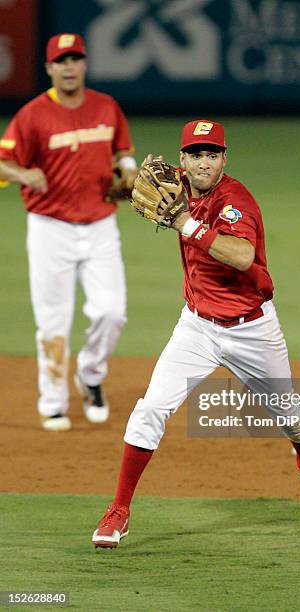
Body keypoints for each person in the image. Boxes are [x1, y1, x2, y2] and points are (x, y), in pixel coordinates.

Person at [91, 120, 300, 548]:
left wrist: (186, 224)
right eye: (196, 154)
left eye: (213, 154)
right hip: (197, 326)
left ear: (225, 158)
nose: (204, 163)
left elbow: (241, 256)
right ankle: (119, 511)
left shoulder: (236, 200)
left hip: (252, 329)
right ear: (183, 159)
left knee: (290, 420)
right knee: (151, 409)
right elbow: (141, 187)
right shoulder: (180, 183)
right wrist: (124, 187)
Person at [0, 33, 137, 431]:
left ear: (85, 64)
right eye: (61, 61)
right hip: (49, 229)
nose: (69, 66)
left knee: (112, 312)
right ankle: (53, 401)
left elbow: (122, 151)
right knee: (53, 320)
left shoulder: (106, 107)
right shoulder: (32, 115)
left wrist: (127, 171)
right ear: (49, 68)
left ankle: (90, 376)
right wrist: (24, 172)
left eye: (75, 58)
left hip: (100, 225)